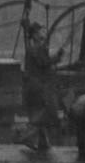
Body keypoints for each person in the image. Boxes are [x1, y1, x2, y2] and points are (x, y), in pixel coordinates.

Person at [22, 22, 63, 151]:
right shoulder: (35, 48)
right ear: (34, 34)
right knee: (46, 111)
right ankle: (28, 136)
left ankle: (43, 143)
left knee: (41, 113)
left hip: (34, 86)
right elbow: (43, 63)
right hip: (37, 86)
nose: (42, 33)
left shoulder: (35, 48)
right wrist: (58, 57)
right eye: (39, 32)